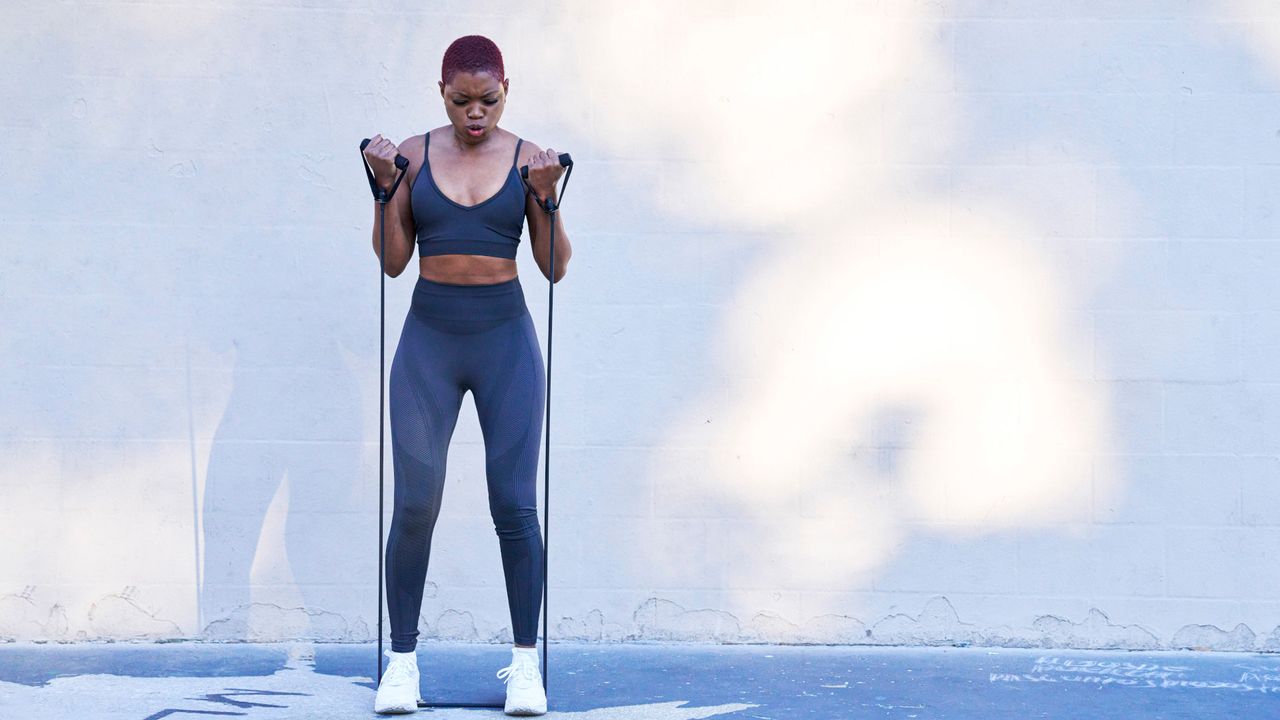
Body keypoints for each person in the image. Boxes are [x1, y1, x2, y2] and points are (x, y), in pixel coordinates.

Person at [360, 33, 572, 716]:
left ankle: (525, 666)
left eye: (488, 99)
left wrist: (548, 196)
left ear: (506, 89)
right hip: (430, 339)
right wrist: (384, 189)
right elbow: (393, 262)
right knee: (416, 502)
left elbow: (554, 266)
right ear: (442, 93)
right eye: (461, 100)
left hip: (504, 338)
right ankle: (401, 664)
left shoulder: (526, 159)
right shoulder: (415, 157)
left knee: (513, 502)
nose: (474, 112)